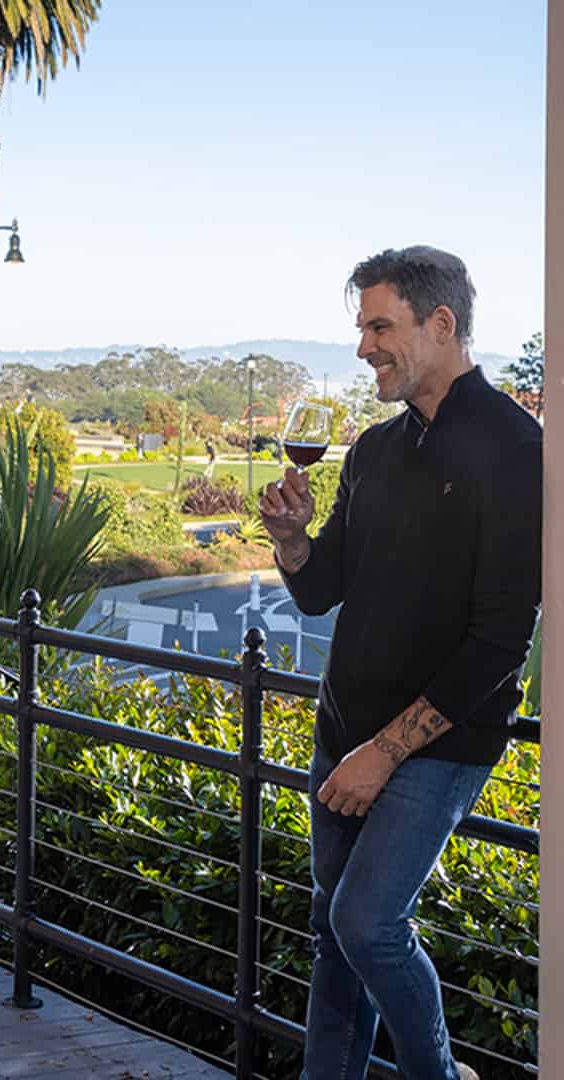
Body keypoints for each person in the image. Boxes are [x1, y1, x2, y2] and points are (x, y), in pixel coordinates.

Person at [258, 246, 538, 1080]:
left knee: (368, 924)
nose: (363, 347)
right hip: (342, 730)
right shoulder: (374, 452)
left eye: (380, 326)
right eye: (362, 328)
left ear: (441, 323)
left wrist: (385, 752)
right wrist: (291, 539)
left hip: (434, 744)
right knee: (335, 934)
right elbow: (321, 592)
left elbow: (499, 642)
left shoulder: (519, 451)